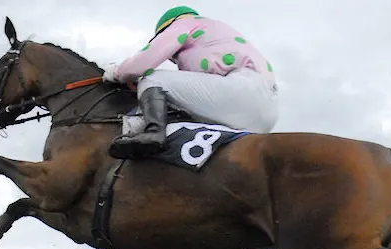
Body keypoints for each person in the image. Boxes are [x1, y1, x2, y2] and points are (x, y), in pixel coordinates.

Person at [103, 6, 279, 159]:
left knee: (153, 78)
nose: (175, 59)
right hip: (267, 112)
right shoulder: (216, 30)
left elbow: (142, 63)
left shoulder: (185, 24)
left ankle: (154, 134)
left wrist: (118, 73)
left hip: (241, 91)